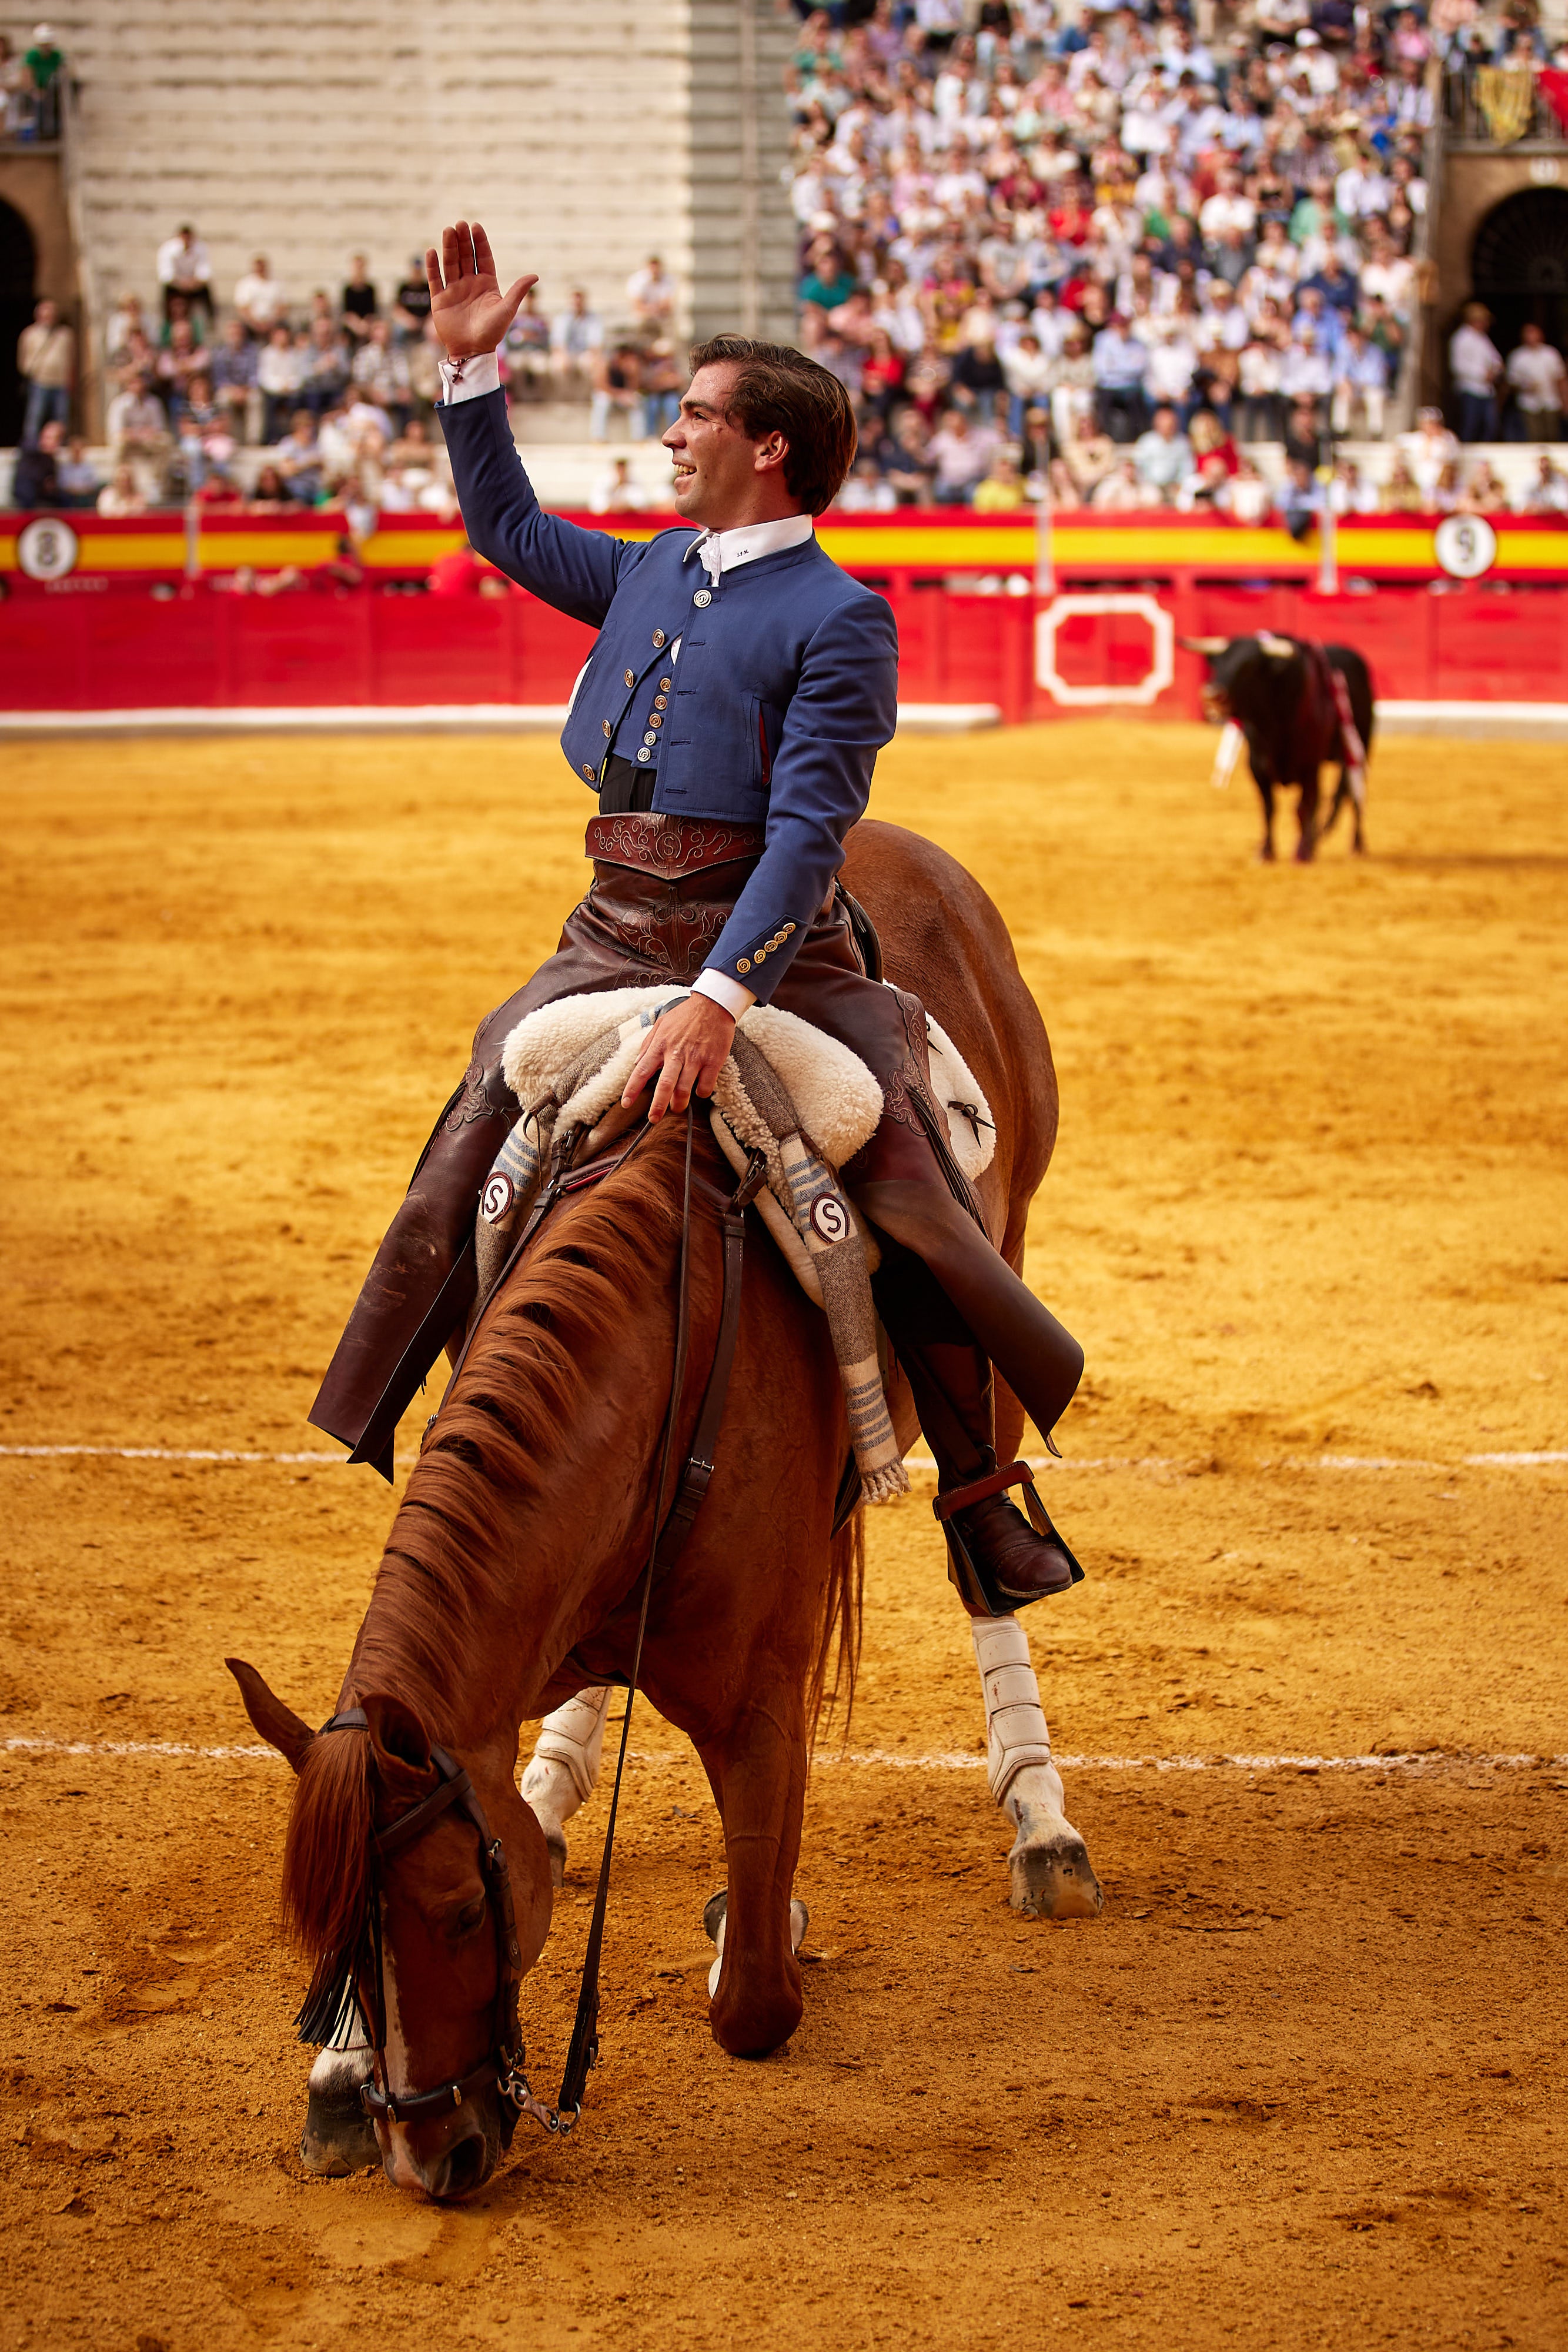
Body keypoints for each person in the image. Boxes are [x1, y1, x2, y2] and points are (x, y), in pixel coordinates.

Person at [310, 218, 1086, 1613]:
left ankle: (977, 1483)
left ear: (768, 445)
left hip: (772, 945)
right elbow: (505, 528)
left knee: (890, 1150)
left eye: (697, 417)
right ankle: (413, 1403)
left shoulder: (840, 616)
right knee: (485, 1096)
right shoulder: (659, 565)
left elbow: (805, 839)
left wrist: (723, 1000)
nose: (675, 436)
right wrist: (470, 378)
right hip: (610, 926)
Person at [16, 295, 72, 443]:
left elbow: (71, 359)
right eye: (46, 314)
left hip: (60, 382)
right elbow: (23, 358)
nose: (49, 318)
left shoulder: (65, 335)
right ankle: (31, 448)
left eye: (52, 314)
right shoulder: (30, 334)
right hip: (39, 381)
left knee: (61, 418)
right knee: (35, 418)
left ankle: (59, 446)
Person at [1449, 301, 1502, 442]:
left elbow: (1496, 359)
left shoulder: (1483, 339)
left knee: (1491, 425)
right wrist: (1482, 374)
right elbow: (1458, 366)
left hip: (1486, 390)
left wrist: (1495, 370)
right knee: (1471, 424)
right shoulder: (1461, 339)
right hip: (1469, 389)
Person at [1505, 322, 1566, 442]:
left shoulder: (1551, 354)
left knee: (1552, 434)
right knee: (1534, 435)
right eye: (1528, 333)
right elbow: (1511, 381)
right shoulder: (1517, 356)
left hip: (1550, 401)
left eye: (1534, 333)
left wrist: (1564, 400)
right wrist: (1525, 386)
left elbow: (1560, 378)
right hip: (1529, 403)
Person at [156, 223, 213, 328]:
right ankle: (167, 325)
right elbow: (166, 275)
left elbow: (205, 273)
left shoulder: (201, 247)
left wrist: (193, 282)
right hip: (175, 285)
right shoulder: (167, 249)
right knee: (166, 293)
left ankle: (210, 322)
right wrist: (182, 283)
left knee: (207, 292)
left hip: (194, 285)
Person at [11, 417, 62, 507]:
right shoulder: (30, 446)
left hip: (40, 493)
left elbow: (50, 479)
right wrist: (43, 447)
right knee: (27, 489)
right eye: (48, 437)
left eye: (55, 439)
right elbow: (28, 447)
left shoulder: (50, 460)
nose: (51, 442)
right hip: (25, 493)